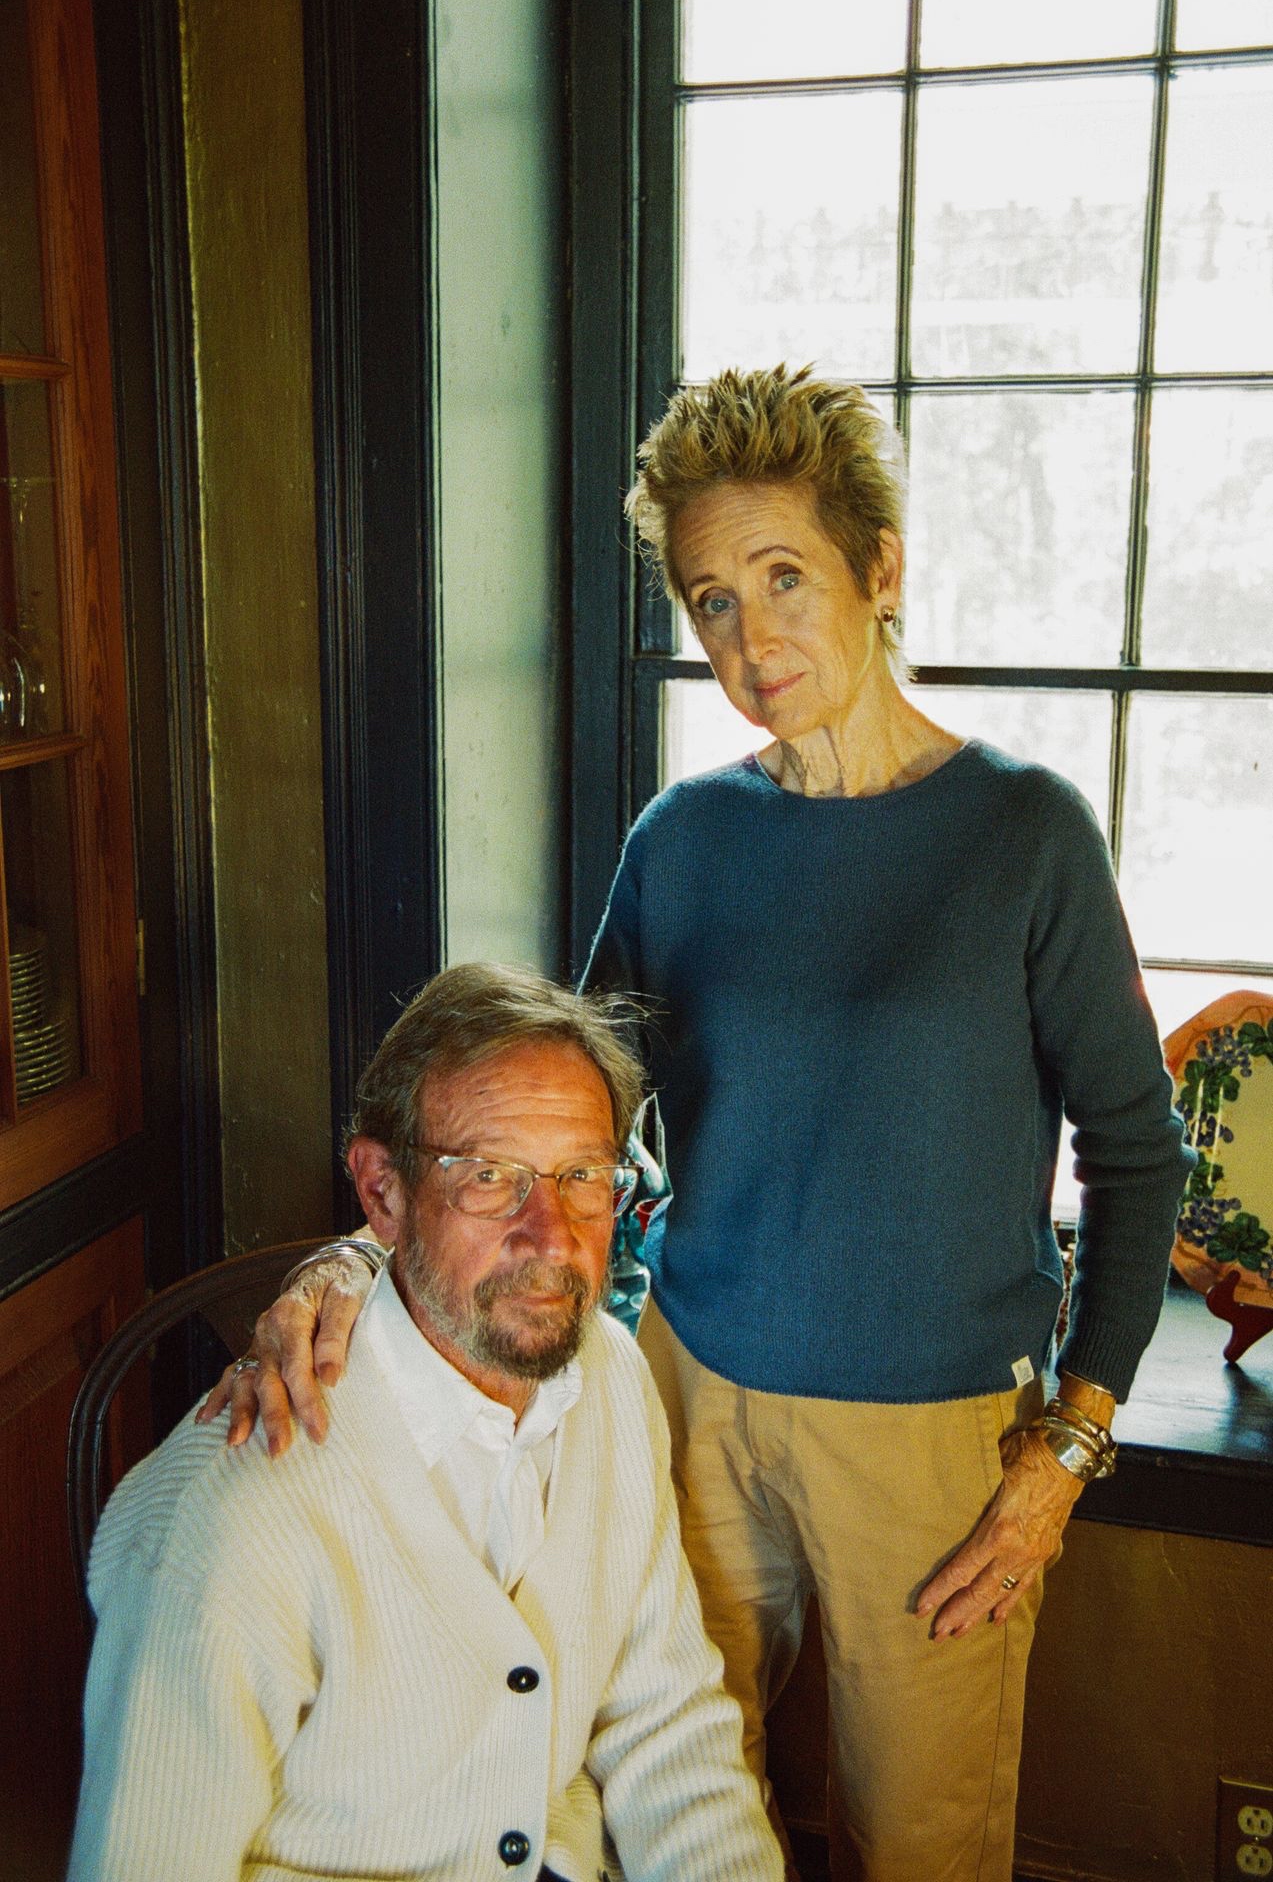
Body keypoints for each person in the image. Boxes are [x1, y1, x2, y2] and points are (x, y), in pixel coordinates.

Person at [210, 368, 1192, 1882]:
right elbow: (549, 1102)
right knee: (658, 1795)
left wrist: (1067, 1446)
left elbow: (1137, 1154)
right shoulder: (686, 841)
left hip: (929, 1442)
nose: (749, 637)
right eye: (711, 600)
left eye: (784, 577)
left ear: (882, 569)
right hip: (684, 1402)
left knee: (915, 1848)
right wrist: (357, 1256)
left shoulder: (1024, 835)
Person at [71, 963, 783, 1882]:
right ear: (382, 1194)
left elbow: (667, 1722)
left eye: (581, 1175)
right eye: (489, 1177)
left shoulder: (606, 1374)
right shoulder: (232, 1520)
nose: (553, 1234)